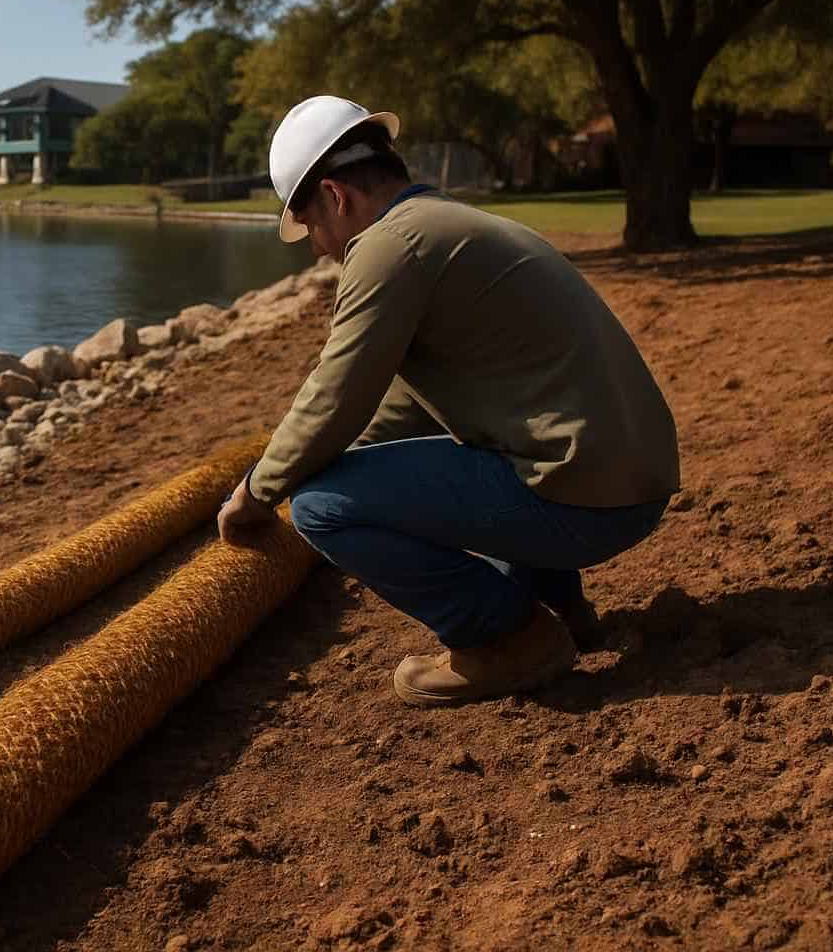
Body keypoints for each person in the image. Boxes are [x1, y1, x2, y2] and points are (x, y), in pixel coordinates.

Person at [216, 96, 679, 707]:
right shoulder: (444, 225)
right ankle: (558, 613)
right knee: (465, 458)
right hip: (627, 482)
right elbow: (399, 407)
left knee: (322, 507)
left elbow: (333, 396)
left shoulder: (389, 246)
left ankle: (509, 642)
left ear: (335, 196)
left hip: (584, 500)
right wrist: (323, 461)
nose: (318, 249)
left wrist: (257, 494)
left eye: (308, 226)